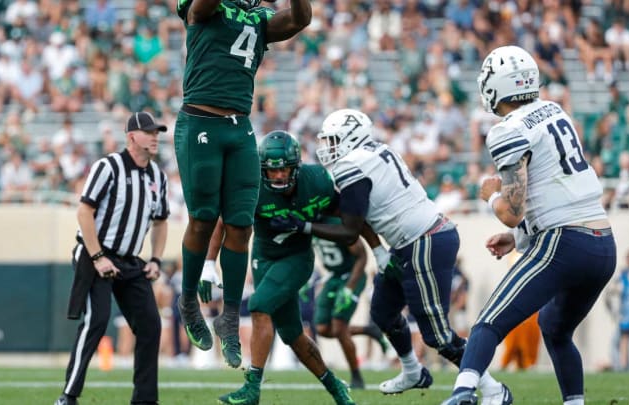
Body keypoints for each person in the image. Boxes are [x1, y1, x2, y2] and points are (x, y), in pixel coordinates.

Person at [271, 108, 508, 403]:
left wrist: (302, 225)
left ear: (351, 138)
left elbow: (348, 230)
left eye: (332, 140)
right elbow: (361, 211)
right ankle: (412, 371)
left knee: (438, 336)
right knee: (383, 310)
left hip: (425, 241)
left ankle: (493, 390)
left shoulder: (351, 165)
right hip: (412, 241)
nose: (327, 147)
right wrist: (380, 250)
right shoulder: (378, 151)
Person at [441, 45, 617, 405]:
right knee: (554, 326)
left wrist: (490, 196)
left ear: (496, 86)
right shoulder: (555, 111)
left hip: (565, 242)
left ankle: (462, 394)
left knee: (488, 322)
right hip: (602, 243)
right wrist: (518, 239)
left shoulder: (509, 129)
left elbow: (513, 210)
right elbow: (554, 194)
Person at [173, 0, 312, 369]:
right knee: (203, 218)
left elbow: (300, 19)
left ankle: (230, 317)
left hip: (240, 126)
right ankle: (188, 300)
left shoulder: (258, 16)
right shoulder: (204, 7)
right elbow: (200, 9)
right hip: (200, 120)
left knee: (241, 222)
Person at [218, 130, 355, 405]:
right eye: (272, 171)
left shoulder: (317, 181)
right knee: (292, 334)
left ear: (296, 167)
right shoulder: (250, 185)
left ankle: (252, 387)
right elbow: (224, 223)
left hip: (297, 256)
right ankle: (336, 389)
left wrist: (307, 226)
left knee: (258, 305)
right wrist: (210, 262)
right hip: (263, 256)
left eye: (285, 170)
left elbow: (350, 219)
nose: (279, 176)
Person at [55, 112, 170, 405]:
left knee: (150, 324)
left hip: (131, 261)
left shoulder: (158, 176)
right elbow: (84, 211)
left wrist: (155, 259)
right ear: (131, 136)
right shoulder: (109, 167)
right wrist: (97, 256)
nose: (155, 137)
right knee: (97, 320)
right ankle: (68, 395)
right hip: (95, 255)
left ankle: (145, 400)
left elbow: (160, 221)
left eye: (157, 132)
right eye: (149, 132)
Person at [311, 221, 389, 389]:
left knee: (339, 327)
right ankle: (368, 330)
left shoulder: (338, 224)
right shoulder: (310, 222)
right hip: (332, 277)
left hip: (352, 275)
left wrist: (349, 288)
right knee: (323, 329)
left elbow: (361, 256)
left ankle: (356, 376)